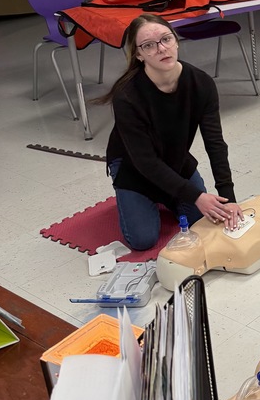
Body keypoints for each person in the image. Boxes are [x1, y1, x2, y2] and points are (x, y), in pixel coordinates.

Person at [98, 13, 243, 251]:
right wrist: (195, 196)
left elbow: (215, 143)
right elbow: (144, 161)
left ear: (176, 40)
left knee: (203, 219)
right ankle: (141, 197)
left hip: (175, 158)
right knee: (143, 240)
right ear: (138, 54)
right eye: (149, 45)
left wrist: (229, 198)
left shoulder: (201, 83)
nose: (161, 49)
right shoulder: (126, 95)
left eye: (166, 39)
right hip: (133, 167)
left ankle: (168, 194)